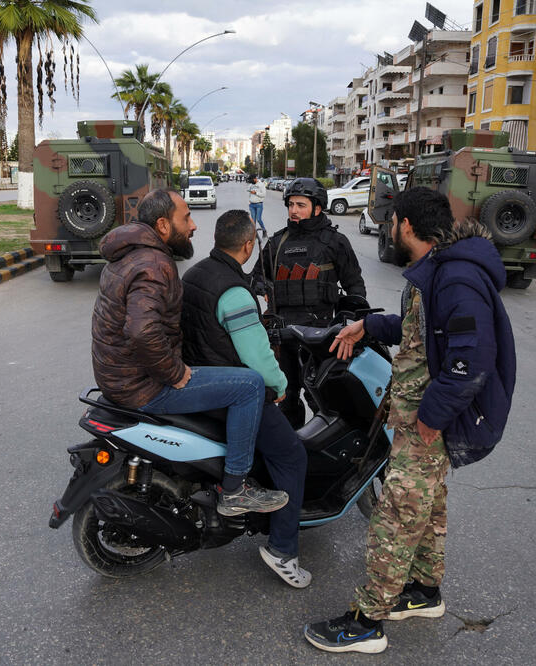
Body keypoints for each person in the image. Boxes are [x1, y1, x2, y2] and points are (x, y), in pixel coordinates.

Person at [302, 187, 515, 654]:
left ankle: (367, 620)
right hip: (421, 416)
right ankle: (423, 592)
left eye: (391, 221)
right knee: (428, 506)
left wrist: (431, 419)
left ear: (407, 226)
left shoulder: (456, 278)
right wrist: (370, 326)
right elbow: (424, 329)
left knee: (396, 516)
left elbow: (469, 362)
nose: (387, 228)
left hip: (429, 420)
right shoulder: (437, 269)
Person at [90, 189, 287, 516]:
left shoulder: (130, 254)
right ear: (164, 225)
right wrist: (175, 373)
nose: (194, 226)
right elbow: (141, 330)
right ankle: (236, 489)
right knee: (250, 385)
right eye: (186, 218)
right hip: (143, 385)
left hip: (119, 376)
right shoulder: (153, 263)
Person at [181, 209, 311, 588]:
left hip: (198, 382)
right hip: (232, 393)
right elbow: (256, 357)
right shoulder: (234, 291)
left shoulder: (196, 273)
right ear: (249, 245)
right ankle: (283, 550)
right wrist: (282, 386)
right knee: (291, 454)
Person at [261, 177, 366, 428]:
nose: (294, 211)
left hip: (320, 338)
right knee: (285, 399)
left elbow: (354, 286)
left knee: (321, 399)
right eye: (291, 205)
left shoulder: (335, 242)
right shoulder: (277, 242)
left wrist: (354, 323)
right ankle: (293, 449)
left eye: (301, 205)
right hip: (283, 335)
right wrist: (262, 288)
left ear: (317, 207)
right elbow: (257, 277)